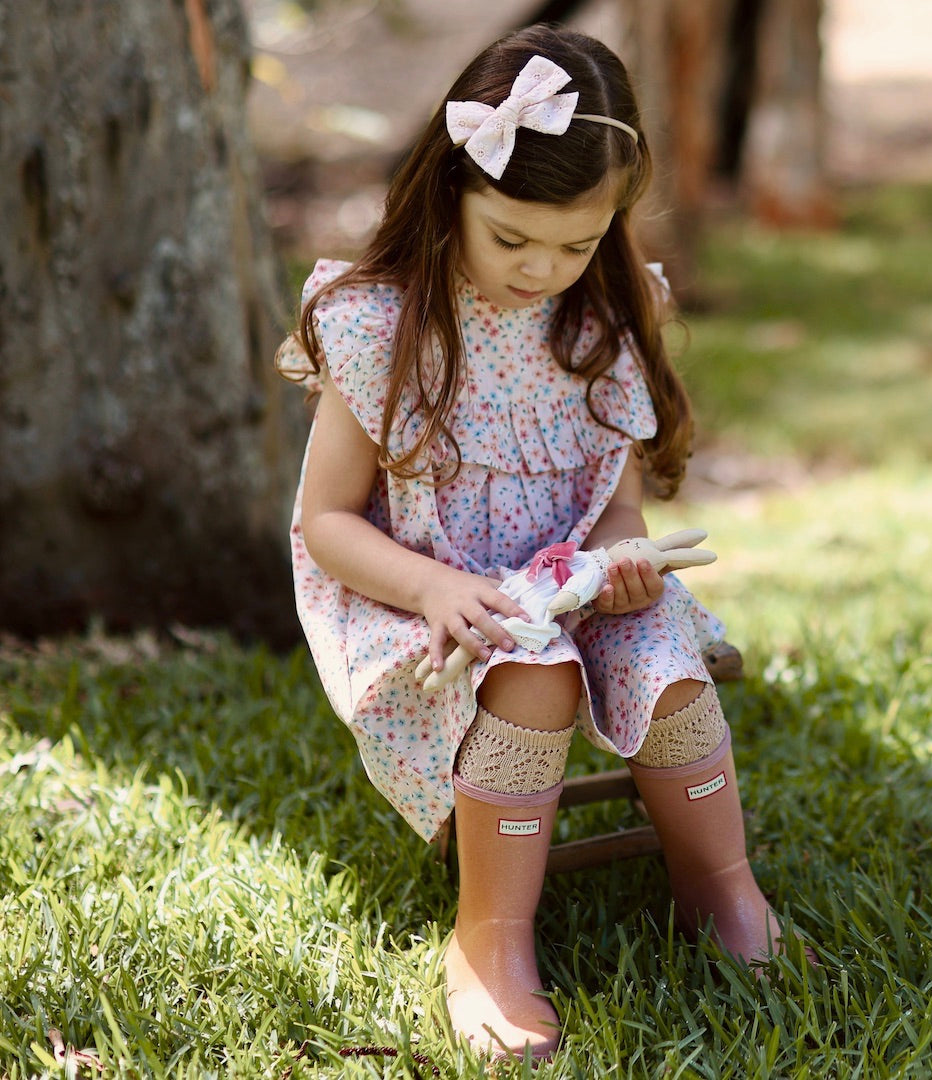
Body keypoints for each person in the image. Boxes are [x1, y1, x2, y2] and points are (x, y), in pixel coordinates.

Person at [279, 24, 797, 1061]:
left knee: (669, 670)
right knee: (536, 679)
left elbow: (610, 502)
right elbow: (325, 524)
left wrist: (625, 558)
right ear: (451, 192)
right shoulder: (383, 326)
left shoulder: (601, 315)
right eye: (513, 239)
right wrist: (429, 588)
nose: (545, 270)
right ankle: (492, 939)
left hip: (567, 585)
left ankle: (719, 889)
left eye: (576, 242)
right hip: (418, 596)